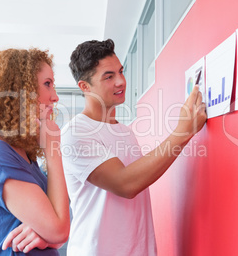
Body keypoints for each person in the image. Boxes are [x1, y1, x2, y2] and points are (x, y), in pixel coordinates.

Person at [61, 39, 207, 255]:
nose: (121, 81)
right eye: (109, 76)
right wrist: (182, 133)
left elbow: (138, 177)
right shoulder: (75, 132)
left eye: (121, 71)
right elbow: (126, 184)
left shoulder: (125, 132)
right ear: (85, 87)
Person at [0, 48, 70, 255]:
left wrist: (47, 235)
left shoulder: (17, 150)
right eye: (47, 84)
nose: (55, 97)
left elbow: (59, 224)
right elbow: (60, 229)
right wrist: (53, 151)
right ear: (20, 88)